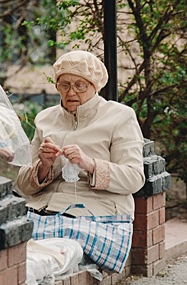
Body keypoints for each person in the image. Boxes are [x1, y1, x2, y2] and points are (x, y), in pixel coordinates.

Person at [16, 50, 145, 219]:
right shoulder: (45, 119)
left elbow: (134, 179)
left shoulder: (120, 116)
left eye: (80, 85)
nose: (71, 92)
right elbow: (24, 187)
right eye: (64, 85)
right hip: (43, 211)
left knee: (58, 245)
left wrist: (89, 163)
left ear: (94, 86)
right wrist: (44, 166)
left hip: (100, 213)